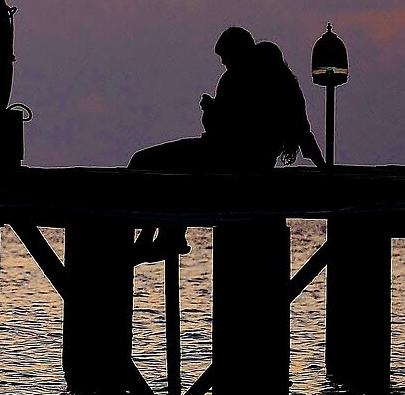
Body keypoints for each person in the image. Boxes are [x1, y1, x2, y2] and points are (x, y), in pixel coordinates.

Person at [127, 26, 328, 257]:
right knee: (168, 172)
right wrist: (323, 168)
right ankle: (161, 236)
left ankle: (146, 232)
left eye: (225, 58)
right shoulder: (285, 89)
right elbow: (304, 134)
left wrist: (210, 111)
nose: (224, 64)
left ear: (238, 53)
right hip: (245, 164)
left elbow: (221, 133)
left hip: (222, 159)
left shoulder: (238, 80)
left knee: (146, 161)